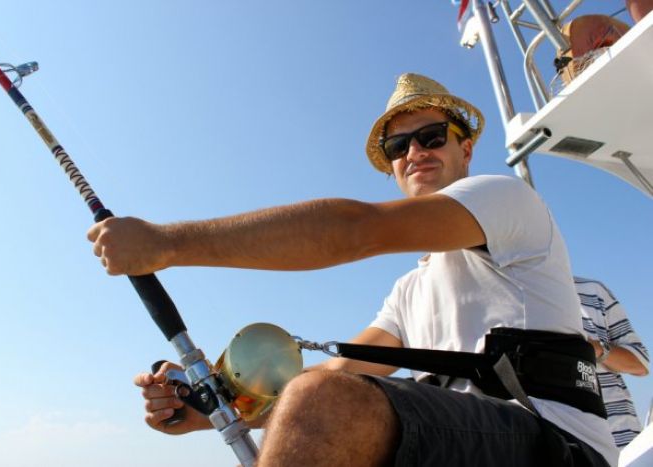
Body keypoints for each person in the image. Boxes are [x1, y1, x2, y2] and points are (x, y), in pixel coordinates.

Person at [88, 73, 618, 466]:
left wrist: (166, 244)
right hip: (458, 446)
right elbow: (339, 372)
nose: (415, 153)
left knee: (322, 402)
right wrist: (213, 412)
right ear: (391, 165)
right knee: (322, 394)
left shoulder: (505, 199)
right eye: (398, 146)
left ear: (466, 147)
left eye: (432, 136)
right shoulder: (410, 291)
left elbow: (356, 230)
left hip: (555, 446)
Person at [575, 276, 650, 449]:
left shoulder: (593, 291)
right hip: (554, 445)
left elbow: (640, 364)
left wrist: (596, 349)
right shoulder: (505, 297)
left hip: (619, 442)